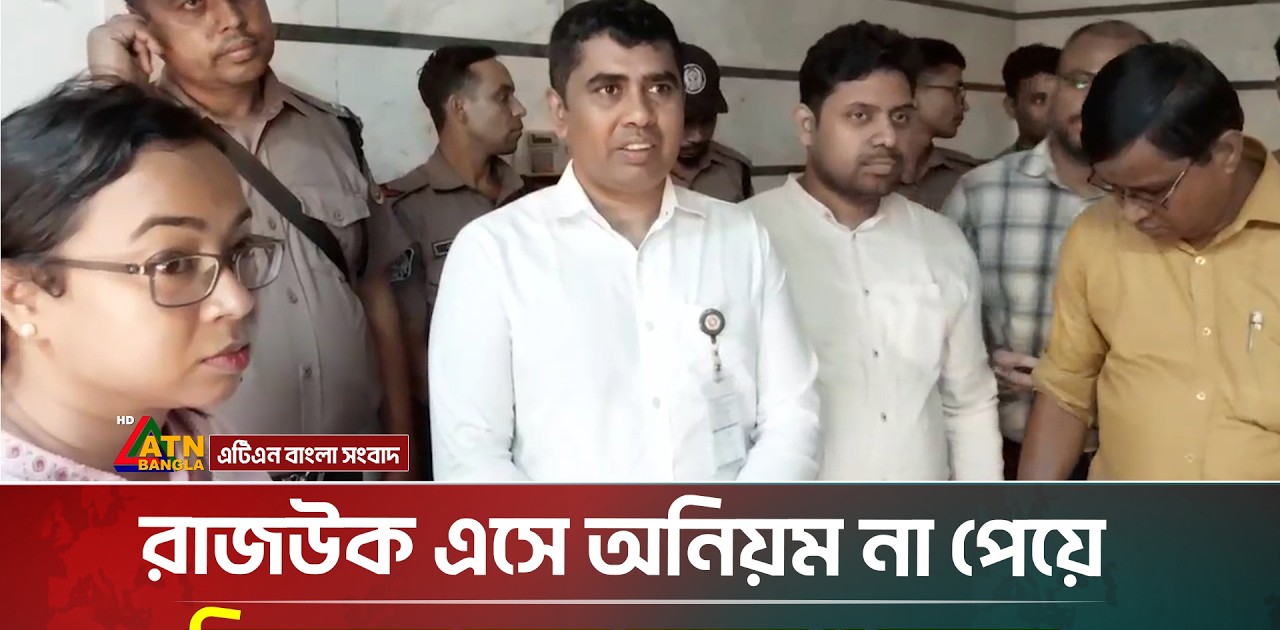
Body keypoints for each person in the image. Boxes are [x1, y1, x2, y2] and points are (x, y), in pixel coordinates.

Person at [428, 0, 820, 483]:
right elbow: (471, 458)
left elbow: (792, 416)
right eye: (609, 89)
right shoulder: (494, 253)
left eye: (660, 88)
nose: (640, 114)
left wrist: (729, 526)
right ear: (560, 112)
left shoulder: (741, 238)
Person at [89, 0, 416, 481]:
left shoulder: (333, 130)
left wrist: (401, 455)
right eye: (192, 4)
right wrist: (111, 99)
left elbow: (375, 294)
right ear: (144, 26)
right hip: (217, 483)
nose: (233, 18)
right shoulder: (129, 144)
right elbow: (96, 325)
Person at [745, 22, 1002, 481]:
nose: (887, 136)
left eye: (900, 117)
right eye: (860, 116)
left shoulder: (941, 241)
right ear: (807, 125)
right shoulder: (747, 238)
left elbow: (969, 403)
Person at [1019, 43, 1280, 480]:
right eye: (1114, 189)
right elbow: (1065, 390)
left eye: (1153, 192)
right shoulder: (1095, 236)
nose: (1131, 214)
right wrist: (1026, 513)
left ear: (1226, 153)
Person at [1, 79, 280, 482]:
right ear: (21, 298)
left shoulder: (188, 444)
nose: (238, 300)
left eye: (237, 249)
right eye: (173, 265)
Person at [943, 20, 1151, 480]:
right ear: (1054, 88)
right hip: (1007, 454)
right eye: (1080, 81)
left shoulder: (1172, 202)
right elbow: (936, 329)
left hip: (1136, 460)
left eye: (1117, 83)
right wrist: (979, 367)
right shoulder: (981, 193)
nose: (1094, 100)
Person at [381, 45, 528, 477]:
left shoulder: (532, 202)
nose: (520, 109)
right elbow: (408, 347)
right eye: (503, 97)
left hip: (540, 429)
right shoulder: (406, 209)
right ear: (460, 109)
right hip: (455, 437)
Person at [897, 37, 980, 210]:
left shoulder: (968, 176)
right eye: (954, 91)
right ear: (911, 93)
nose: (965, 106)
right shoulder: (867, 172)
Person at [669, 43, 754, 202]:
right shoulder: (634, 170)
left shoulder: (735, 170)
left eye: (706, 121)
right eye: (686, 122)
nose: (698, 136)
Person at [997, 43, 1061, 157]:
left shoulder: (1089, 163)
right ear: (1011, 107)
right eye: (1039, 101)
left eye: (1059, 100)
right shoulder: (999, 167)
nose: (1054, 111)